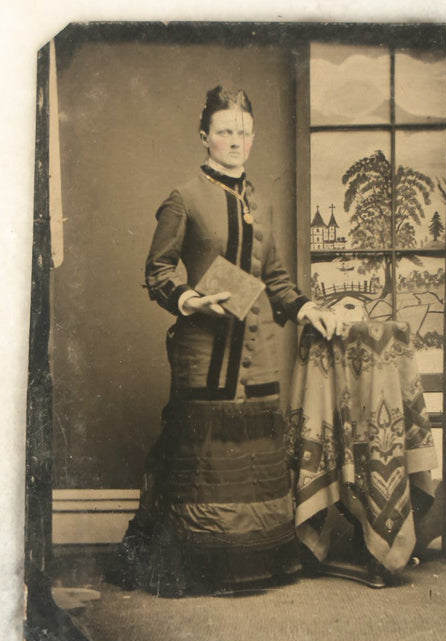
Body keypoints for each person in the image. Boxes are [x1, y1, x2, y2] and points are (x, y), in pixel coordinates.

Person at [116, 86, 336, 597]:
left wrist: (307, 310)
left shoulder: (261, 201)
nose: (235, 141)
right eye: (224, 131)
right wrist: (187, 299)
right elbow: (157, 269)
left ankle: (253, 569)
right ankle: (197, 571)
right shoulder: (184, 197)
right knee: (200, 457)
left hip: (257, 351)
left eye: (243, 132)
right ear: (204, 137)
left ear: (252, 138)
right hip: (204, 351)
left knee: (253, 458)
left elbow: (276, 278)